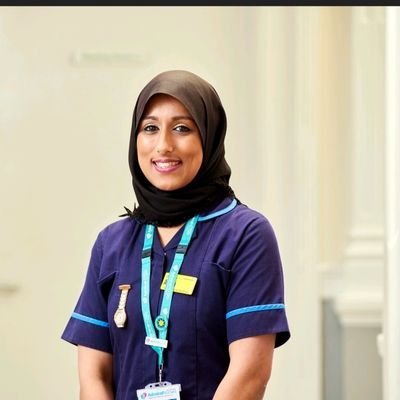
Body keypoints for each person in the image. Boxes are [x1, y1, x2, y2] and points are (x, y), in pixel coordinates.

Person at [61, 70, 290, 400]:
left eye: (182, 128)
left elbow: (249, 374)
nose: (164, 145)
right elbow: (93, 375)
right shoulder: (111, 243)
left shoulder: (246, 234)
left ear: (208, 138)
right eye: (150, 128)